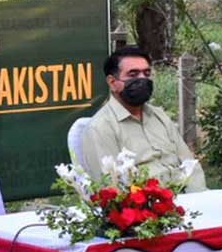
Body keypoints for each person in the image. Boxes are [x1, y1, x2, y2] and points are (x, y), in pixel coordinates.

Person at [79, 45, 207, 191]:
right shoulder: (100, 128)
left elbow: (190, 166)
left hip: (189, 202)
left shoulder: (159, 116)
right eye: (133, 75)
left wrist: (200, 199)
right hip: (146, 208)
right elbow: (110, 188)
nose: (142, 79)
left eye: (146, 73)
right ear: (112, 82)